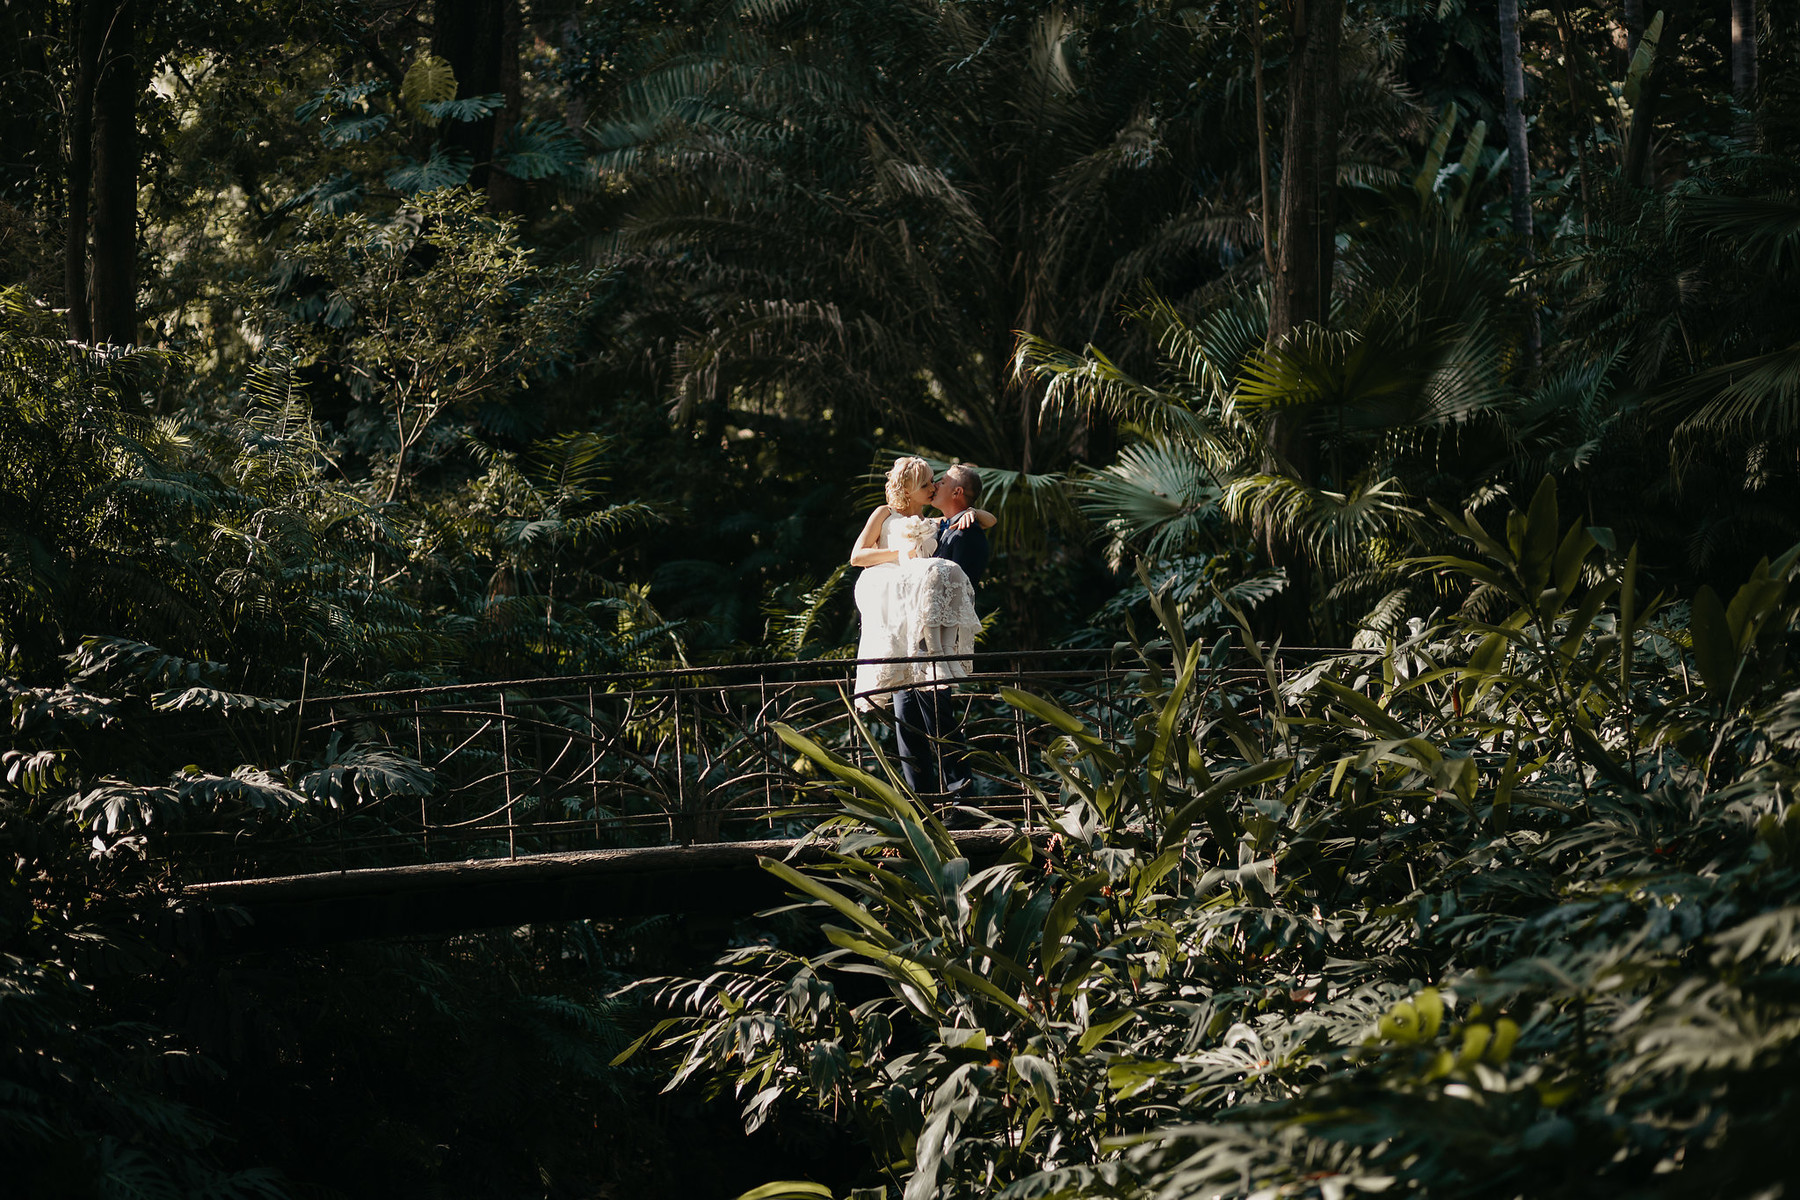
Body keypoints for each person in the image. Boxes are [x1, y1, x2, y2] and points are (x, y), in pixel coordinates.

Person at [850, 458, 994, 719]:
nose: (932, 487)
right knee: (902, 690)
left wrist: (971, 512)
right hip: (887, 592)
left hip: (913, 604)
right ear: (907, 489)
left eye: (932, 482)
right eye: (925, 483)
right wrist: (898, 552)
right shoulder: (884, 513)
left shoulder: (930, 522)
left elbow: (989, 519)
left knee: (920, 688)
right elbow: (857, 557)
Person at [891, 463, 990, 795]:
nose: (936, 485)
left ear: (957, 492)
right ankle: (922, 801)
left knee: (939, 719)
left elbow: (957, 592)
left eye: (943, 481)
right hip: (911, 642)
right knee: (907, 720)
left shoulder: (966, 534)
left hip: (935, 645)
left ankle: (961, 797)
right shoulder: (940, 527)